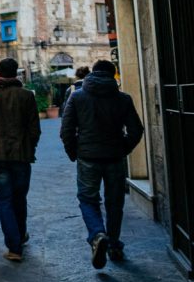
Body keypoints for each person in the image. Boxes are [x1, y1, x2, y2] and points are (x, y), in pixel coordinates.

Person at [60, 60, 144, 268]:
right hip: (114, 157)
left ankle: (97, 234)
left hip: (88, 157)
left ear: (93, 73)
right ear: (113, 75)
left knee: (88, 200)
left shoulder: (77, 97)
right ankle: (114, 244)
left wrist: (75, 153)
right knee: (115, 202)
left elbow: (66, 130)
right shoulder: (123, 99)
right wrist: (122, 148)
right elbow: (136, 129)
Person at [0, 58, 40, 262]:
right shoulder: (26, 96)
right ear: (15, 73)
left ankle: (14, 246)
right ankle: (19, 236)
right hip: (21, 155)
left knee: (4, 199)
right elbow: (34, 129)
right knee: (19, 198)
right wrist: (29, 146)